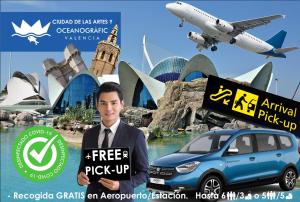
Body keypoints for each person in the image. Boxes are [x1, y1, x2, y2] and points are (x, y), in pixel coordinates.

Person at [77, 82, 148, 202]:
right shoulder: (88, 135)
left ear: (121, 104)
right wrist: (80, 178)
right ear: (98, 106)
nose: (108, 108)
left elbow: (144, 173)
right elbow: (82, 168)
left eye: (113, 103)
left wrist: (121, 185)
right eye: (103, 103)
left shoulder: (135, 135)